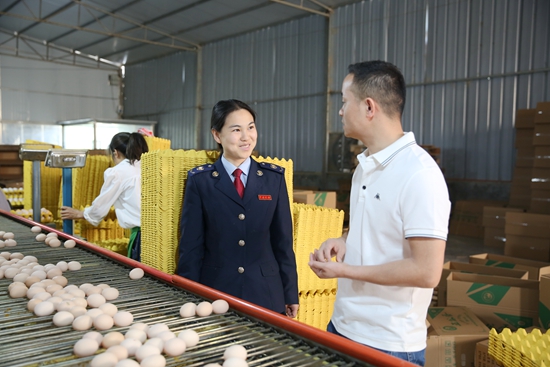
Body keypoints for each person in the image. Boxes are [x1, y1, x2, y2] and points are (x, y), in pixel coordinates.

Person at [308, 61, 451, 366]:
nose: (341, 111)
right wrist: (345, 240)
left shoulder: (419, 174)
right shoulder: (365, 166)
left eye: (345, 102)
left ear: (369, 107)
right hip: (343, 325)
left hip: (387, 342)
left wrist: (344, 271)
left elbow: (427, 272)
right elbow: (376, 228)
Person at [177, 99, 299, 318]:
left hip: (266, 294)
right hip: (216, 291)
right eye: (236, 130)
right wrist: (189, 294)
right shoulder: (201, 181)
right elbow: (191, 246)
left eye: (251, 127)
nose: (246, 137)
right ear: (217, 135)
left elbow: (283, 242)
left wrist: (290, 293)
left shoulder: (273, 179)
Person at [61, 132, 148, 261]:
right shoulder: (146, 167)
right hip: (156, 233)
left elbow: (102, 205)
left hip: (141, 236)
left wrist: (81, 214)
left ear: (115, 152)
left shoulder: (118, 172)